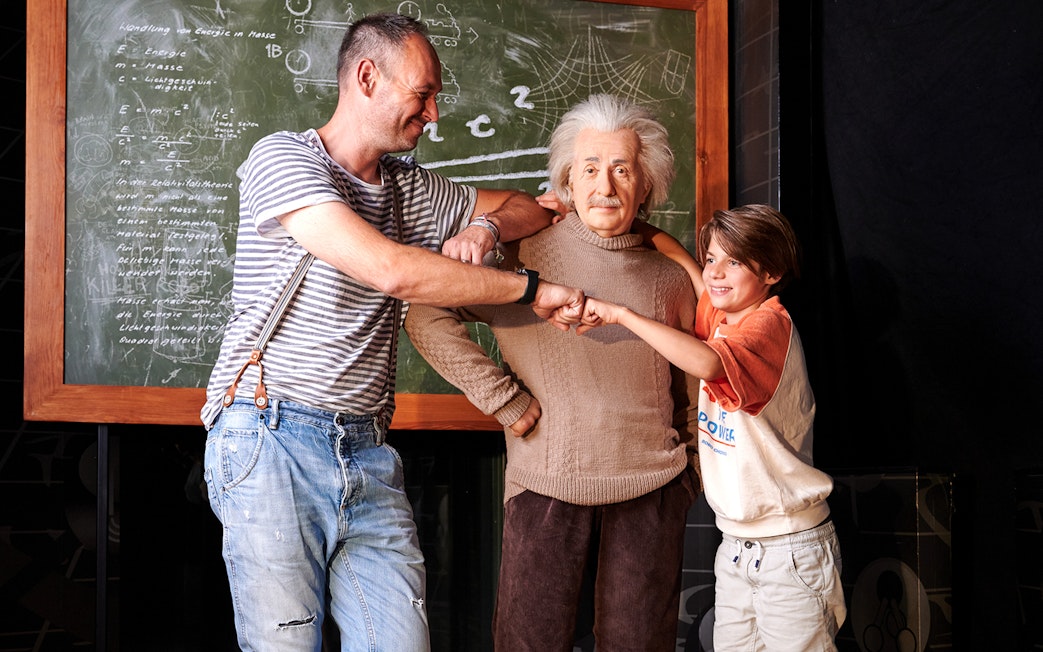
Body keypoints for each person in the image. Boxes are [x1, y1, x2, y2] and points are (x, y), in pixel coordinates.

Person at [199, 13, 587, 652]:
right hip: (272, 438)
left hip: (368, 448)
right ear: (367, 77)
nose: (434, 114)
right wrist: (531, 291)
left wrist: (485, 230)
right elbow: (391, 269)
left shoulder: (413, 188)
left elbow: (529, 207)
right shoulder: (284, 159)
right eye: (424, 94)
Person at [405, 93, 700, 651]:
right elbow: (425, 311)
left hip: (653, 489)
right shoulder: (523, 257)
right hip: (546, 486)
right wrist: (506, 402)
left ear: (647, 184)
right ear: (567, 178)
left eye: (621, 169)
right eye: (589, 169)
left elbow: (692, 385)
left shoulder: (671, 276)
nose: (605, 186)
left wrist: (691, 474)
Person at [578, 204, 847, 651]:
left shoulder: (768, 325)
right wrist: (615, 220)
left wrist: (621, 315)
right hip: (737, 546)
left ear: (772, 272)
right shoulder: (722, 311)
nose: (717, 273)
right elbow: (682, 258)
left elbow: (707, 362)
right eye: (713, 259)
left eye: (735, 261)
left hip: (790, 549)